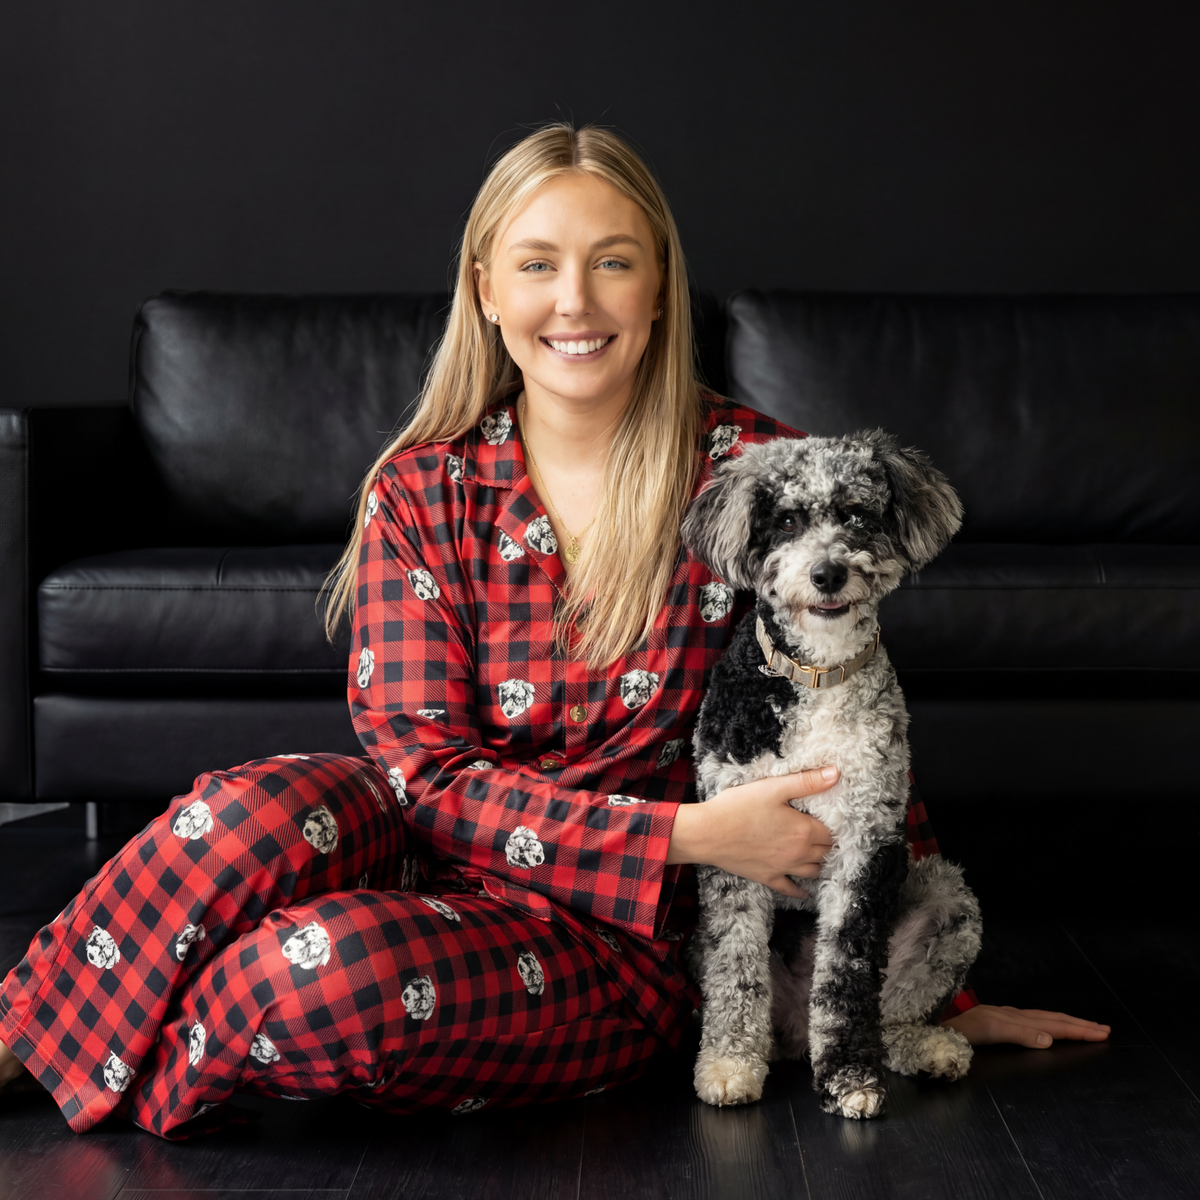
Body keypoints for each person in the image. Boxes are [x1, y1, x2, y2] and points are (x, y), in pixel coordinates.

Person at [0, 124, 1108, 1138]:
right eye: (537, 263)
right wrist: (688, 833)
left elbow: (850, 714)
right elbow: (422, 776)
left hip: (613, 947)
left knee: (321, 974)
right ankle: (22, 1038)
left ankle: (125, 1030)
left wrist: (932, 994)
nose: (574, 300)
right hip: (429, 848)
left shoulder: (756, 477)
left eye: (613, 259)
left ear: (662, 285)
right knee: (247, 815)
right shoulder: (421, 491)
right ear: (485, 288)